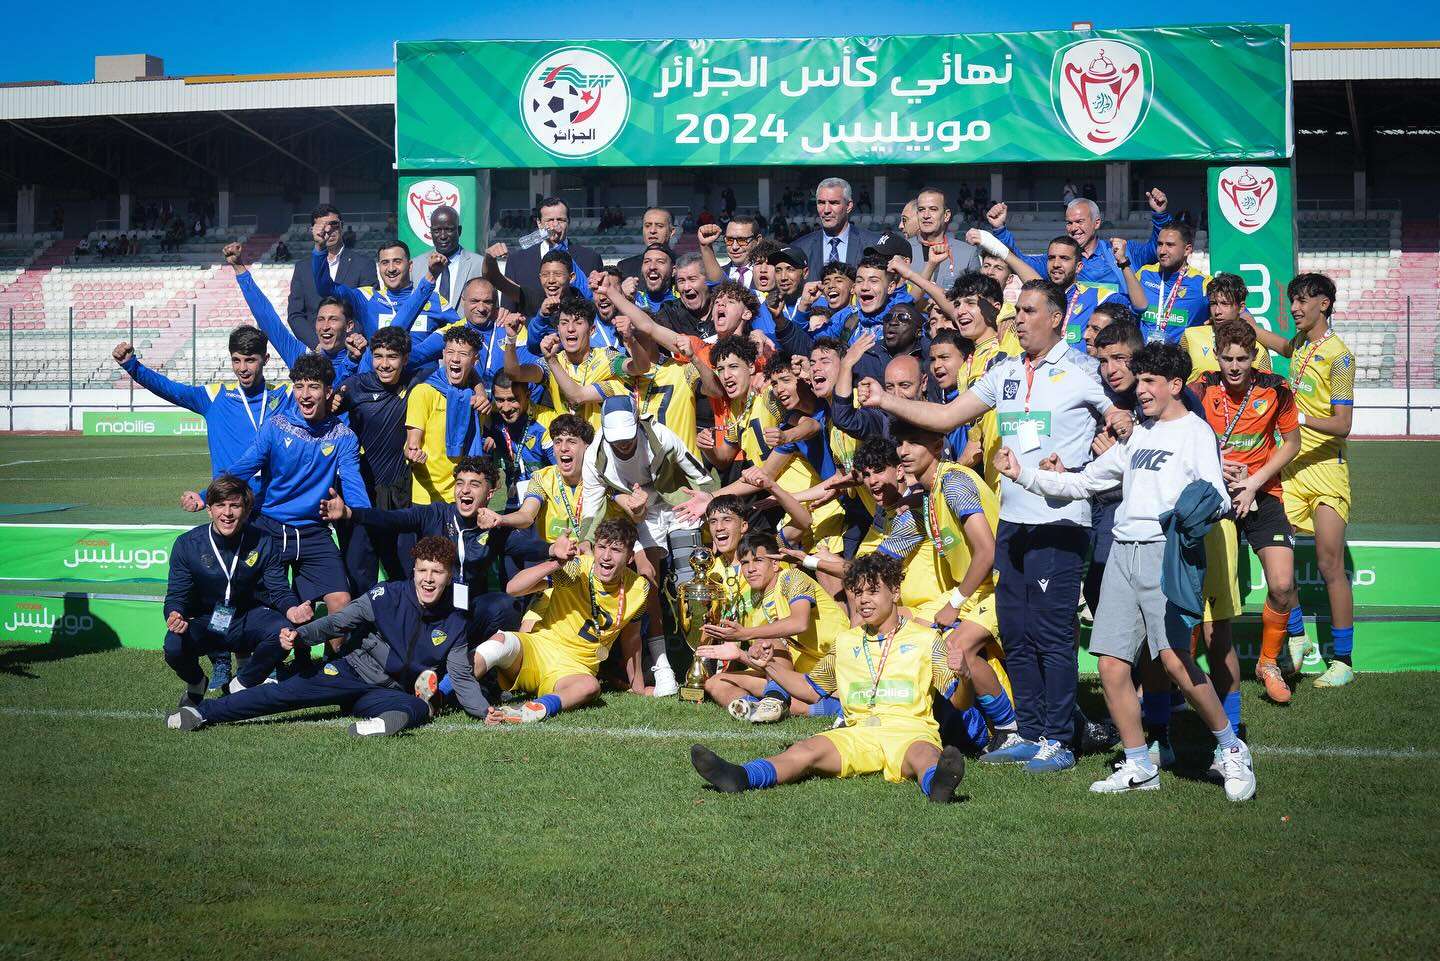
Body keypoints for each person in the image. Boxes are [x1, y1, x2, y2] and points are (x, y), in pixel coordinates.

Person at [860, 280, 1129, 772]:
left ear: (1057, 318)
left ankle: (1061, 739)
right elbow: (944, 416)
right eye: (1017, 311)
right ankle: (1028, 731)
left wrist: (1103, 445)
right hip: (1013, 523)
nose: (1019, 320)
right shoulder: (1005, 371)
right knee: (1021, 634)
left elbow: (1118, 414)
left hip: (1060, 522)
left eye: (1029, 311)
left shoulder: (1082, 370)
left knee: (1051, 634)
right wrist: (886, 401)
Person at [995, 342, 1257, 801]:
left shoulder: (1195, 432)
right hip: (1121, 553)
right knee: (1112, 666)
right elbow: (1083, 481)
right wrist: (1023, 474)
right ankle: (1139, 765)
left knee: (1175, 660)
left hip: (1163, 554)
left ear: (1176, 385)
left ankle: (1231, 748)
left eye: (1152, 382)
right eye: (1141, 382)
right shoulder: (1136, 435)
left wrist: (1191, 517)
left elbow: (1215, 494)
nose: (1142, 390)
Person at [688, 552, 968, 803]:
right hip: (857, 732)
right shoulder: (845, 642)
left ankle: (937, 784)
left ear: (895, 592)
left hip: (910, 731)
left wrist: (964, 675)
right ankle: (741, 776)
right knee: (807, 749)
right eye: (858, 593)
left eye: (872, 591)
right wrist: (768, 665)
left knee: (925, 756)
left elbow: (960, 701)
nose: (863, 600)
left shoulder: (927, 638)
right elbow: (809, 691)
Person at [167, 536, 488, 736]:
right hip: (352, 672)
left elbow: (461, 674)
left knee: (418, 709)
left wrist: (484, 712)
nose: (429, 580)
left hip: (384, 692)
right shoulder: (386, 596)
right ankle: (201, 713)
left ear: (449, 576)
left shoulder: (456, 619)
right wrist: (301, 635)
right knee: (287, 694)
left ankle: (373, 727)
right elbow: (338, 623)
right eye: (423, 571)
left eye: (437, 572)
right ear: (413, 571)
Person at [183, 352, 370, 618]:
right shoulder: (276, 426)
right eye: (299, 386)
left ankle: (331, 660)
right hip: (268, 527)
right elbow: (243, 468)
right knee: (252, 601)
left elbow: (355, 489)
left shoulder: (343, 437)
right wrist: (205, 495)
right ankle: (253, 659)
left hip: (313, 531)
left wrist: (354, 512)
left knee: (341, 601)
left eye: (313, 386)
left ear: (328, 391)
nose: (305, 394)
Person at [1189, 320, 1301, 720]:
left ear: (1254, 355)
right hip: (1214, 498)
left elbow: (1292, 443)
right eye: (1227, 358)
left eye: (1242, 358)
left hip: (1263, 494)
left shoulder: (1276, 389)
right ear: (1216, 356)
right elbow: (1184, 436)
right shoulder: (1200, 388)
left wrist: (1254, 481)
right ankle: (1183, 668)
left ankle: (1268, 661)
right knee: (1206, 595)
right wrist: (1218, 469)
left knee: (1284, 585)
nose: (1234, 366)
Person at [1250, 273, 1358, 688]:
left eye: (1302, 301)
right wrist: (1244, 322)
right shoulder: (1298, 345)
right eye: (1293, 300)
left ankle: (1343, 661)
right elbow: (1274, 343)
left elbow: (1344, 424)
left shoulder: (1341, 357)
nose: (1295, 308)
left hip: (1327, 469)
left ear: (1324, 305)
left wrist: (1296, 418)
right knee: (1281, 559)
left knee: (1330, 565)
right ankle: (1296, 634)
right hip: (1291, 471)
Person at [578, 395, 717, 696]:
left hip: (679, 505)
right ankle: (662, 665)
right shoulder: (594, 457)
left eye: (628, 437)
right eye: (617, 440)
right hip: (643, 516)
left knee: (691, 581)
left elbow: (701, 477)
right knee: (648, 584)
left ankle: (705, 662)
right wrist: (584, 544)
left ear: (637, 423)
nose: (623, 445)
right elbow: (590, 511)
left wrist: (704, 499)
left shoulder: (661, 435)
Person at [323, 457, 533, 648]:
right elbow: (391, 519)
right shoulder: (435, 514)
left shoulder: (494, 526)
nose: (465, 490)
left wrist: (555, 550)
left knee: (504, 606)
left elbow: (531, 547)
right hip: (430, 612)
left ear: (490, 492)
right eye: (460, 483)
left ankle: (482, 671)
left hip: (466, 614)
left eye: (474, 484)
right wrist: (350, 513)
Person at [476, 520, 650, 722]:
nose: (606, 556)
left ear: (629, 558)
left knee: (590, 687)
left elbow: (631, 639)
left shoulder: (639, 588)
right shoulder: (577, 568)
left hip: (574, 670)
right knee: (500, 642)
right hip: (538, 650)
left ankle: (529, 711)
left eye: (616, 550)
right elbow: (513, 588)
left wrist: (638, 687)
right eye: (602, 547)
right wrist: (556, 563)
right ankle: (444, 691)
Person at [163, 474, 312, 707]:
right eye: (220, 505)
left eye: (235, 505)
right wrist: (174, 614)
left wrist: (292, 609)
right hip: (206, 620)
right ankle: (196, 683)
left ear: (246, 509)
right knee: (173, 646)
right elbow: (176, 595)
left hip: (246, 618)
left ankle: (240, 685)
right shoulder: (187, 544)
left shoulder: (262, 540)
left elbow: (278, 589)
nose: (227, 513)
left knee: (283, 631)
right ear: (209, 510)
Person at [112, 327, 291, 496]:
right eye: (236, 360)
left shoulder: (286, 395)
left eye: (250, 360)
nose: (242, 368)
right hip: (228, 502)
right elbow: (170, 390)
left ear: (265, 359)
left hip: (274, 504)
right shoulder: (215, 397)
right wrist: (132, 366)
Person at [695, 529, 846, 720]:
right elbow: (767, 661)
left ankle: (796, 704)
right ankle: (756, 708)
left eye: (758, 560)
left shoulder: (792, 578)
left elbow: (799, 623)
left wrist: (746, 634)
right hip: (800, 672)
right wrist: (740, 655)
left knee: (764, 638)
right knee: (716, 683)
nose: (750, 569)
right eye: (744, 563)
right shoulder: (759, 603)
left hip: (839, 657)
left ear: (775, 564)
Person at [331, 326, 417, 590]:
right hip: (362, 490)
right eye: (378, 356)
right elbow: (326, 406)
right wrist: (334, 398)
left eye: (391, 357)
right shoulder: (357, 386)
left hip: (402, 491)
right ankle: (360, 628)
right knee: (360, 569)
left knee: (403, 567)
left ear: (405, 358)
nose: (384, 364)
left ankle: (406, 624)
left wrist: (480, 390)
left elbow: (461, 375)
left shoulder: (418, 380)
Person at [982, 190, 1170, 291]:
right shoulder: (1057, 260)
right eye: (1069, 223)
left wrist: (1160, 215)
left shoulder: (1122, 251)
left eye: (1080, 221)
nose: (1073, 228)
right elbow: (1019, 262)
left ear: (1097, 223)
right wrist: (1000, 229)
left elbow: (1157, 251)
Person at [229, 244, 358, 388]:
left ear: (349, 326)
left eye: (333, 319)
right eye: (320, 319)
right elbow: (267, 319)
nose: (325, 326)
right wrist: (239, 269)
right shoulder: (301, 357)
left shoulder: (364, 359)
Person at [478, 413, 597, 544]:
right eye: (558, 442)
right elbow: (526, 515)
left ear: (587, 447)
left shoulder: (600, 479)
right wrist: (501, 519)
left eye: (571, 442)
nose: (563, 448)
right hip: (553, 555)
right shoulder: (542, 477)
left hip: (591, 556)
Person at [404, 326, 486, 505]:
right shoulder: (423, 392)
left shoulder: (476, 399)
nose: (455, 359)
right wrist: (413, 453)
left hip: (464, 496)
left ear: (475, 360)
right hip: (427, 497)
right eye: (450, 352)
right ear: (443, 354)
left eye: (463, 354)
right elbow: (411, 444)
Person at [315, 238, 452, 338]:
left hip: (422, 378)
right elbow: (326, 289)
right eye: (385, 263)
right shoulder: (366, 298)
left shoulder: (434, 300)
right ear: (379, 267)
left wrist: (435, 344)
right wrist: (320, 250)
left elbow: (465, 328)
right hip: (379, 375)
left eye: (397, 262)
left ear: (410, 266)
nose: (391, 269)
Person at [486, 197, 602, 312]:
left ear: (568, 222)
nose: (555, 225)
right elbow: (508, 308)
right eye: (550, 220)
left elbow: (597, 303)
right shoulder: (517, 260)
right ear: (539, 223)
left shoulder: (591, 258)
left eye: (561, 220)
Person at [287, 204, 370, 349]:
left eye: (333, 224)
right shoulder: (302, 268)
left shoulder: (364, 264)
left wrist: (348, 342)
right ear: (312, 230)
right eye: (321, 226)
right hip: (316, 352)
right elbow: (295, 315)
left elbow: (368, 310)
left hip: (351, 350)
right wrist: (317, 344)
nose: (328, 230)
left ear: (342, 226)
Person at [1181, 273, 1272, 377]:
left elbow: (1265, 388)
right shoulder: (1190, 336)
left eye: (1225, 304)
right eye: (1213, 304)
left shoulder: (1257, 348)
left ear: (1241, 307)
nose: (1217, 311)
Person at [1134, 222, 1209, 344]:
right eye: (1159, 244)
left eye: (1170, 245)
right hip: (1143, 359)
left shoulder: (1202, 284)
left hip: (1179, 361)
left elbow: (1238, 313)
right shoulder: (1144, 274)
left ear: (1187, 250)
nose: (1162, 251)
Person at [794, 178, 881, 282]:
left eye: (834, 203)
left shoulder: (874, 245)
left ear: (849, 206)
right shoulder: (800, 248)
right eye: (821, 203)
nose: (826, 210)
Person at [407, 205, 485, 306]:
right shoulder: (415, 266)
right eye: (437, 231)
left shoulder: (479, 264)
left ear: (459, 231)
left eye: (449, 230)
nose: (443, 236)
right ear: (431, 232)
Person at [908, 188, 981, 290]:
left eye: (933, 209)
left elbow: (974, 298)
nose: (926, 215)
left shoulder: (968, 253)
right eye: (921, 210)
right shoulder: (903, 251)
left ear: (946, 215)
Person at [617, 207, 679, 279]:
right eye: (647, 226)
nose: (652, 231)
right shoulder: (625, 267)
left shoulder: (684, 265)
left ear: (672, 231)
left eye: (659, 226)